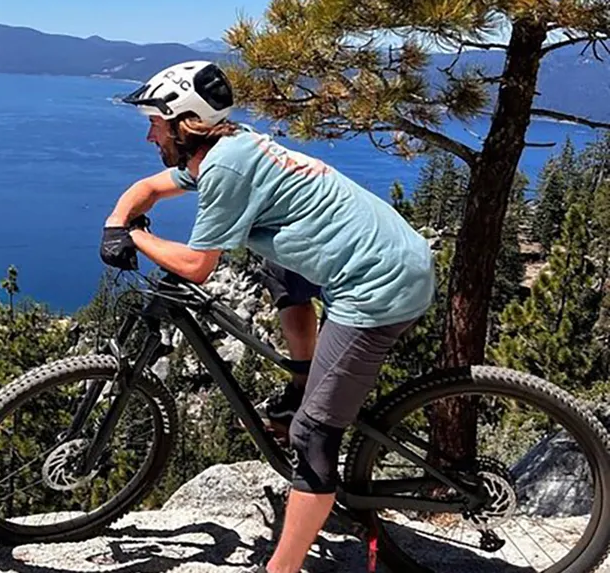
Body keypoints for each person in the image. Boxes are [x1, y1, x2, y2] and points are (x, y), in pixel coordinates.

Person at [100, 60, 435, 573]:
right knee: (281, 272)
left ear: (183, 122)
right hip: (385, 258)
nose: (149, 135)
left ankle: (283, 567)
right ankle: (303, 383)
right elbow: (148, 189)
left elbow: (196, 267)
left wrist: (139, 237)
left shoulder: (225, 167)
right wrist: (115, 221)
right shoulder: (228, 149)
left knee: (313, 436)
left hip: (378, 287)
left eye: (155, 123)